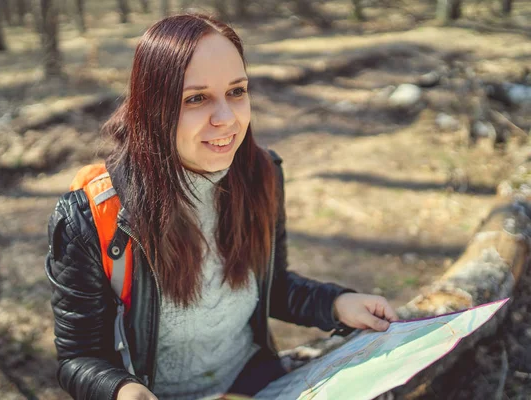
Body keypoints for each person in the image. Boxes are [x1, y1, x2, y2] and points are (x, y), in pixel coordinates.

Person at [45, 13, 398, 400]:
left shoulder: (262, 175)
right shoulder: (92, 217)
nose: (227, 119)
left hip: (252, 383)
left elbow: (270, 287)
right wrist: (122, 390)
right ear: (153, 107)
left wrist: (336, 303)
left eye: (237, 91)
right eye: (196, 98)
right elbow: (78, 357)